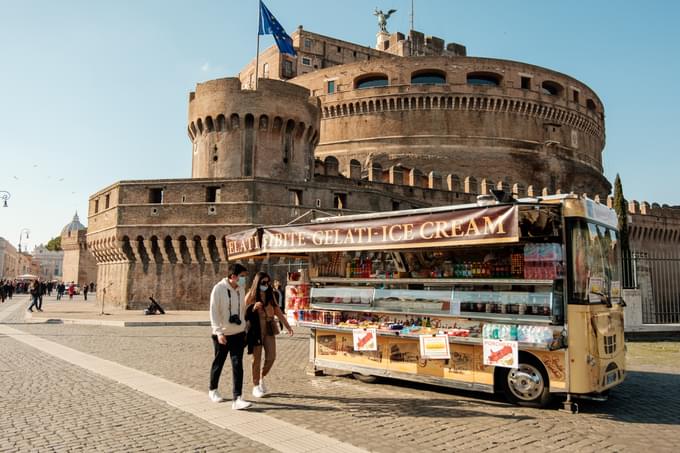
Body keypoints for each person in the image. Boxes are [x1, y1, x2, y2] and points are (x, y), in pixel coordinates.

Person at [208, 263, 251, 410]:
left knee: (238, 365)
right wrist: (218, 332)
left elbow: (242, 309)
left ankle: (237, 398)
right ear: (233, 276)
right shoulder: (218, 289)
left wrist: (244, 326)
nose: (244, 280)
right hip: (223, 334)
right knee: (218, 362)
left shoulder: (241, 289)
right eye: (242, 277)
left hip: (238, 333)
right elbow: (213, 311)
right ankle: (213, 389)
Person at [245, 272, 294, 398]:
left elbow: (277, 310)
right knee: (257, 358)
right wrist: (253, 307)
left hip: (269, 326)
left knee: (271, 356)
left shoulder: (270, 294)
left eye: (268, 282)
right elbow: (243, 311)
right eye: (263, 283)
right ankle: (255, 385)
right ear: (257, 283)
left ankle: (261, 377)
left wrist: (288, 326)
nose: (266, 285)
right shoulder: (251, 294)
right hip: (256, 328)